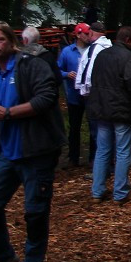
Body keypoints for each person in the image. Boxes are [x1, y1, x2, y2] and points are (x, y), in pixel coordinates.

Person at [0, 21, 66, 262]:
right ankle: (1, 257)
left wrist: (8, 113)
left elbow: (46, 98)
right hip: (6, 152)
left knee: (35, 212)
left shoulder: (31, 65)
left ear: (11, 41)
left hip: (37, 150)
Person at [87, 27, 131, 205]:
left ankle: (97, 190)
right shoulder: (128, 58)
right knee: (122, 151)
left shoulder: (102, 55)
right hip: (121, 109)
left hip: (102, 108)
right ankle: (120, 193)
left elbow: (94, 79)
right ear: (128, 39)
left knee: (103, 150)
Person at [74, 22, 112, 165]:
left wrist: (84, 90)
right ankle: (104, 165)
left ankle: (101, 166)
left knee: (97, 132)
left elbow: (88, 73)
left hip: (94, 96)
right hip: (105, 94)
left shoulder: (95, 49)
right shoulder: (108, 47)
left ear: (91, 33)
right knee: (103, 131)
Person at [56, 23, 91, 168]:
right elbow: (57, 69)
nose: (89, 36)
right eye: (86, 34)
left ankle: (93, 158)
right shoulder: (67, 52)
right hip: (74, 96)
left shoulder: (93, 51)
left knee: (93, 127)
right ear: (78, 35)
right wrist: (66, 74)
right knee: (74, 128)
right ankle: (73, 157)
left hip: (90, 96)